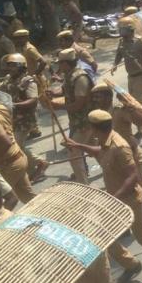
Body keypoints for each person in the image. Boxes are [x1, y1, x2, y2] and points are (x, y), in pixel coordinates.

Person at [65, 110, 142, 283]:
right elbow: (100, 151)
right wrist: (78, 146)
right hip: (114, 199)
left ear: (95, 128)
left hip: (129, 200)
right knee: (105, 236)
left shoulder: (120, 147)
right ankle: (131, 265)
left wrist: (115, 197)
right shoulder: (106, 140)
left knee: (141, 235)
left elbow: (132, 176)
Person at [0, 54, 48, 184]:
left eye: (13, 65)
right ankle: (38, 164)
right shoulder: (8, 79)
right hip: (12, 118)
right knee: (18, 146)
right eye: (9, 65)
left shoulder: (28, 81)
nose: (10, 68)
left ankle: (38, 166)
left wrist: (14, 105)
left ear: (21, 66)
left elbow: (32, 100)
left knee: (16, 147)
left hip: (25, 118)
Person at [48, 49, 93, 184]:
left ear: (66, 63)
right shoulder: (69, 75)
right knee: (95, 149)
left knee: (74, 152)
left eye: (60, 64)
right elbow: (65, 89)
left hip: (85, 122)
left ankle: (84, 184)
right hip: (76, 121)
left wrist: (58, 106)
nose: (58, 67)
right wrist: (53, 93)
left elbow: (79, 104)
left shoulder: (80, 78)